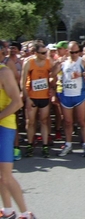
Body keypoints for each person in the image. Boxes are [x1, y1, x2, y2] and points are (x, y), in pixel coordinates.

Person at [0, 64, 36, 219]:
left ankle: (25, 214)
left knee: (6, 176)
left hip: (4, 127)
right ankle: (7, 210)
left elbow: (17, 103)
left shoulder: (4, 72)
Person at [52, 41, 85, 157]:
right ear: (68, 51)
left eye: (77, 52)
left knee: (82, 121)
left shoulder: (81, 61)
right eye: (72, 52)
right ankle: (68, 145)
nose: (74, 54)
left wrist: (82, 74)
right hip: (66, 95)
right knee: (67, 122)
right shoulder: (63, 62)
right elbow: (52, 74)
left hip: (79, 96)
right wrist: (57, 63)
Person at [20, 42, 54, 158]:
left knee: (44, 121)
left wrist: (52, 88)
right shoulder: (29, 63)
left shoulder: (49, 62)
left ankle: (45, 146)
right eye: (43, 53)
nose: (45, 54)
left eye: (46, 52)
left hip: (44, 97)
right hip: (32, 97)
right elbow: (22, 82)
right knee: (31, 122)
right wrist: (27, 98)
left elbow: (54, 76)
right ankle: (30, 145)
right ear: (36, 53)